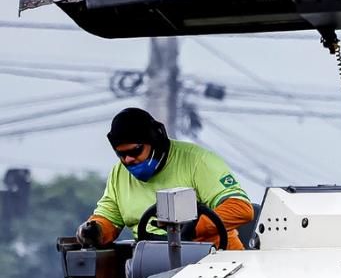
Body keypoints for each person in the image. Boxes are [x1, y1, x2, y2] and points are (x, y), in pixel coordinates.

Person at [75, 107, 254, 252]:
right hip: (151, 264)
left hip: (214, 261)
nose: (128, 160)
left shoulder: (198, 161)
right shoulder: (119, 174)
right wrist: (95, 231)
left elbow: (241, 208)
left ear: (155, 141)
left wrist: (192, 227)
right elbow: (109, 218)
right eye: (121, 154)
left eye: (135, 151)